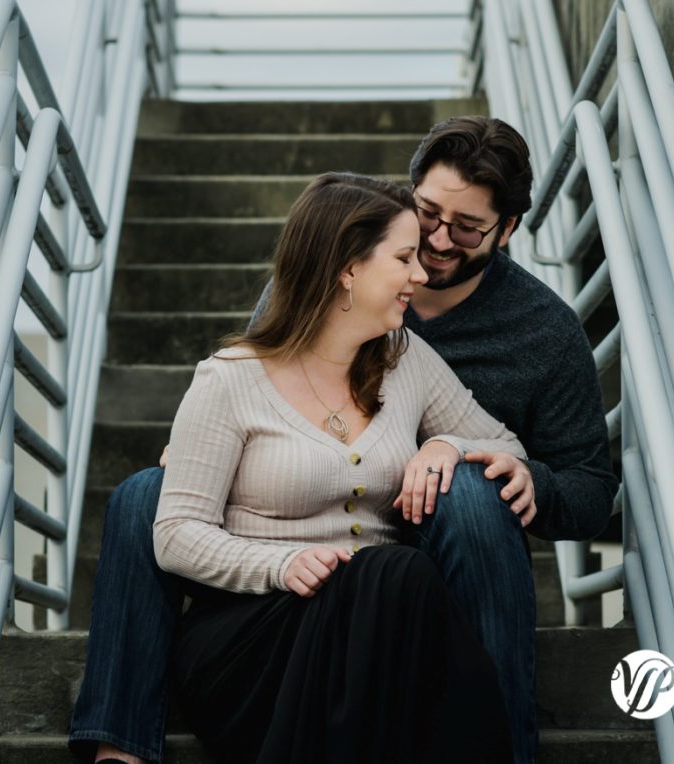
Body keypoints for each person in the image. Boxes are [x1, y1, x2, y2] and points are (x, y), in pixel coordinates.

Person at [72, 117, 617, 763]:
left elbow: (585, 486)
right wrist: (202, 454)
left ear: (508, 231)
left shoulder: (534, 332)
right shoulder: (297, 305)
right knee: (145, 496)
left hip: (426, 554)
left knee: (467, 493)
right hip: (281, 572)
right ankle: (121, 742)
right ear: (348, 267)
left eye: (467, 228)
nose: (438, 245)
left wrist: (486, 462)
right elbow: (256, 387)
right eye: (425, 220)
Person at [153, 174, 515, 762]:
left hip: (377, 624)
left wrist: (444, 443)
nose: (421, 275)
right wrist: (281, 563)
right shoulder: (230, 378)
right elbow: (174, 535)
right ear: (348, 268)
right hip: (254, 636)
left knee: (396, 579)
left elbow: (505, 443)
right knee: (400, 574)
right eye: (403, 258)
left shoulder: (405, 360)